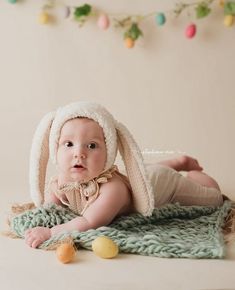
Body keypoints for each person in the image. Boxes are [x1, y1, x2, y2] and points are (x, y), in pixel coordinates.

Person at [25, 101, 224, 248]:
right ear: (55, 149)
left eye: (92, 145)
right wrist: (48, 205)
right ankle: (175, 162)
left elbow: (89, 222)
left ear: (109, 152)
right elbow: (52, 205)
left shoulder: (113, 189)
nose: (79, 153)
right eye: (68, 144)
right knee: (145, 171)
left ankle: (189, 173)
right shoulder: (63, 178)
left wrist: (50, 232)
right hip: (145, 174)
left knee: (213, 199)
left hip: (164, 185)